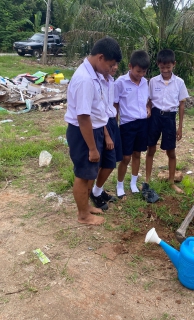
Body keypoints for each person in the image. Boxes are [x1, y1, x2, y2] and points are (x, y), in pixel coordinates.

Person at [64, 37, 122, 225]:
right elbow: (83, 117)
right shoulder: (85, 79)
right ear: (100, 57)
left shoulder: (95, 75)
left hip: (94, 129)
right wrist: (92, 148)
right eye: (110, 65)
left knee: (91, 172)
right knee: (83, 174)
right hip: (83, 133)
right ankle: (83, 215)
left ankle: (86, 207)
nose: (111, 69)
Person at [143, 49, 190, 202]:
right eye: (162, 67)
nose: (165, 70)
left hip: (170, 118)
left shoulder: (180, 83)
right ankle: (147, 181)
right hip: (155, 117)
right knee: (151, 149)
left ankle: (171, 182)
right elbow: (149, 101)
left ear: (173, 65)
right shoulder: (153, 81)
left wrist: (180, 127)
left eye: (168, 67)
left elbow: (182, 105)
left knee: (171, 152)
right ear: (158, 65)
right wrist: (148, 109)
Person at [114, 50, 151, 199]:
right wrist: (115, 125)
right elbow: (115, 105)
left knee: (137, 154)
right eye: (138, 71)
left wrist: (148, 108)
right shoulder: (120, 83)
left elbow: (147, 100)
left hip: (142, 123)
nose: (141, 74)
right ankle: (120, 184)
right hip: (127, 124)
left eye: (143, 71)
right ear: (130, 66)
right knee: (126, 157)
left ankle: (133, 183)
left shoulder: (145, 82)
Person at [90, 61, 123, 210]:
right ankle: (93, 193)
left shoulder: (111, 81)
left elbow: (111, 106)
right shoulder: (96, 83)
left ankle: (98, 190)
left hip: (111, 122)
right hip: (101, 125)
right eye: (112, 64)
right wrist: (107, 135)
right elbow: (97, 112)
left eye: (117, 64)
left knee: (110, 162)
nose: (115, 67)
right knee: (105, 163)